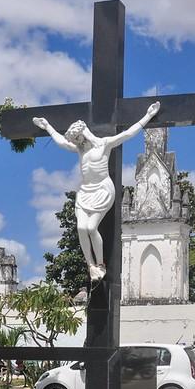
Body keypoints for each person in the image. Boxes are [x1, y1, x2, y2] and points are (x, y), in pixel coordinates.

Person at [33, 101, 161, 281]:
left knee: (91, 227)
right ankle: (91, 265)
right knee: (80, 227)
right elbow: (61, 142)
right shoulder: (79, 150)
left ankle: (100, 263)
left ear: (83, 134)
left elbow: (127, 134)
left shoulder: (103, 144)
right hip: (85, 191)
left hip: (102, 190)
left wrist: (148, 116)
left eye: (77, 138)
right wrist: (47, 127)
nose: (76, 142)